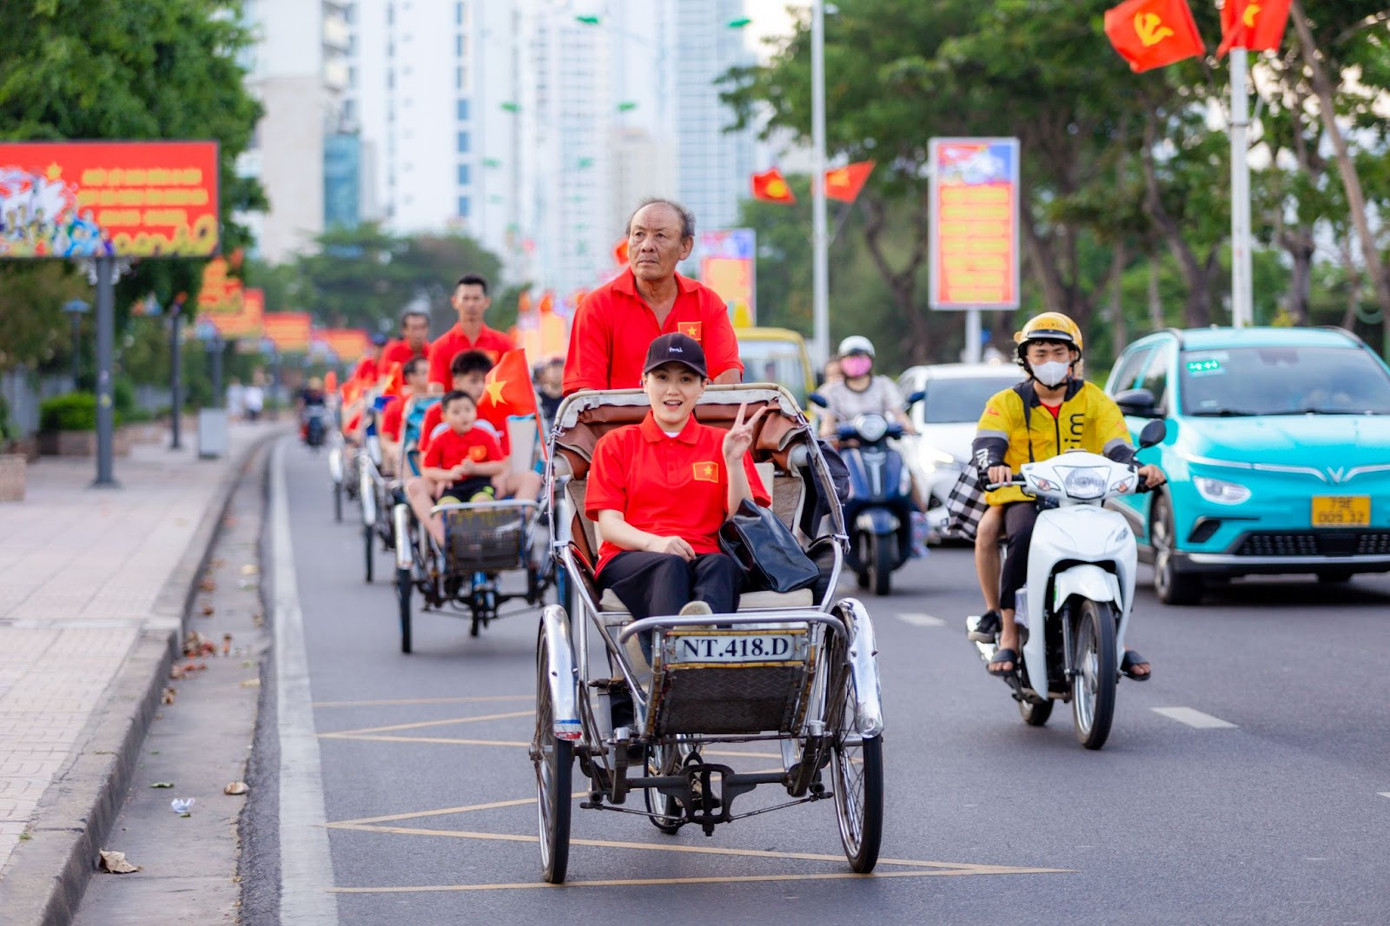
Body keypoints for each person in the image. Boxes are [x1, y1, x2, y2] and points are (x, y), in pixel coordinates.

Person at [971, 312, 1163, 680]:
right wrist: (993, 464)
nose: (1050, 361)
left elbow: (1118, 445)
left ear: (1074, 356)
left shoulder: (1095, 400)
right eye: (1040, 353)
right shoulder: (1005, 402)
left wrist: (1138, 468)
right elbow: (987, 442)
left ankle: (1117, 641)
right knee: (1021, 534)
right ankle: (1009, 632)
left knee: (1117, 537)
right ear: (1024, 359)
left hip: (1083, 498)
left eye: (1058, 352)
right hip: (1023, 493)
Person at [586, 333, 770, 664]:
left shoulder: (723, 442)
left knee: (722, 566)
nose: (673, 390)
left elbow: (741, 518)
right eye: (662, 378)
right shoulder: (615, 444)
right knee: (669, 565)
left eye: (686, 379)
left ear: (703, 387)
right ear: (644, 382)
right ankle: (671, 661)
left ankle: (702, 644)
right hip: (633, 555)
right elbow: (610, 526)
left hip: (705, 553)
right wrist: (656, 543)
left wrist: (732, 461)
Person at [563, 198, 743, 394]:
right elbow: (586, 401)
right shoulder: (596, 307)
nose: (646, 246)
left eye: (660, 236)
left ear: (685, 246)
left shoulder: (706, 303)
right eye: (638, 234)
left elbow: (728, 384)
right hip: (619, 425)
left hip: (692, 424)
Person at [411, 390, 507, 546]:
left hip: (480, 484)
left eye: (468, 410)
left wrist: (475, 469)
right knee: (448, 509)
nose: (464, 415)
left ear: (475, 412)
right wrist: (448, 474)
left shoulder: (485, 435)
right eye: (456, 412)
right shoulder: (439, 440)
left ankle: (482, 543)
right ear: (444, 417)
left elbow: (499, 465)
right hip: (452, 486)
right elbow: (427, 469)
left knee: (482, 504)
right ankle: (458, 546)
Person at [816, 336, 916, 440]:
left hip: (880, 442)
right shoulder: (834, 389)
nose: (855, 361)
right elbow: (828, 418)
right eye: (850, 357)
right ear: (841, 361)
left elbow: (898, 412)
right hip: (847, 445)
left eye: (860, 356)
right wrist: (826, 429)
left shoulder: (883, 384)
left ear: (870, 359)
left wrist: (907, 425)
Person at [427, 274, 515, 391]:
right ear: (455, 302)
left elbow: (514, 384)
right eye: (466, 298)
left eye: (476, 298)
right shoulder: (440, 346)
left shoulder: (504, 343)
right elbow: (435, 390)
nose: (471, 304)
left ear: (487, 302)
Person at [380, 357, 430, 475]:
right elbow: (386, 439)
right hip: (407, 454)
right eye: (424, 372)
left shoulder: (440, 402)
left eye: (430, 372)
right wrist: (396, 449)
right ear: (410, 377)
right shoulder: (396, 405)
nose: (429, 376)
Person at [379, 309, 432, 378]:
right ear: (404, 330)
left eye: (422, 327)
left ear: (428, 329)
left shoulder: (433, 351)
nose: (418, 333)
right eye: (414, 328)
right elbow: (383, 379)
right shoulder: (393, 350)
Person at [535, 356, 565, 430]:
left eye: (560, 368)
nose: (556, 372)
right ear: (544, 372)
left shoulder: (570, 398)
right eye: (552, 368)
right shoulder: (537, 398)